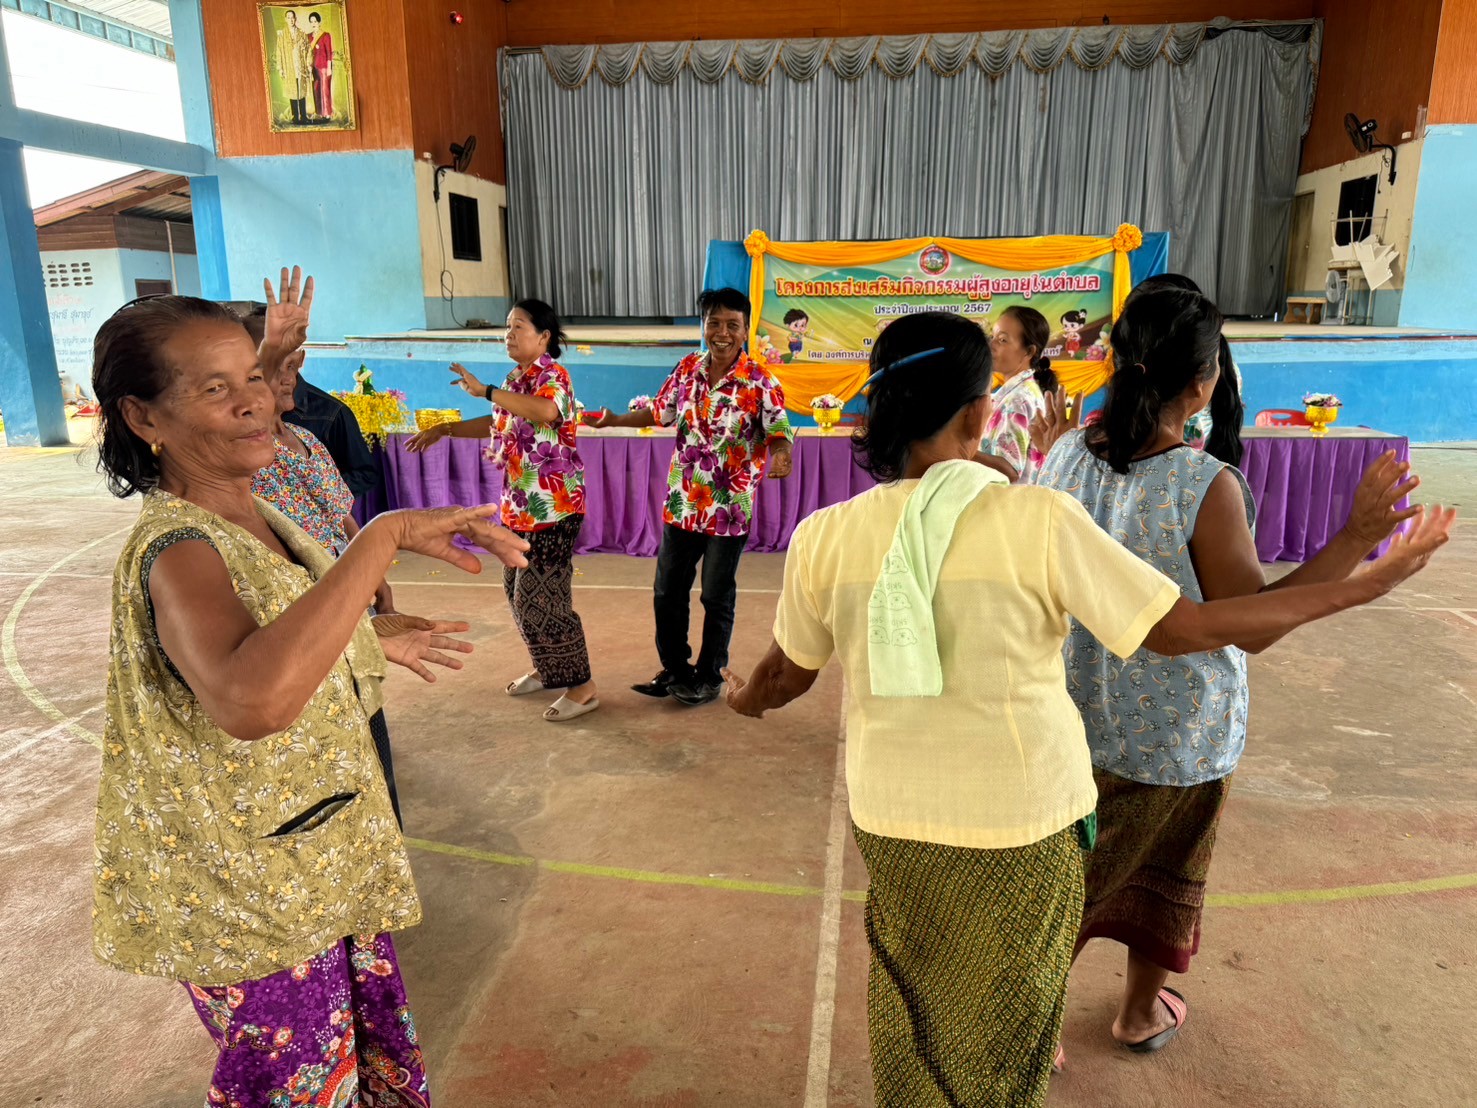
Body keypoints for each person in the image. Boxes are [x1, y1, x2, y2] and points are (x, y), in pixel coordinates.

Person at [719, 309, 1450, 1107]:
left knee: (910, 986)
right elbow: (1186, 629)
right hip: (1022, 825)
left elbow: (783, 675)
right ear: (975, 414)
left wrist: (744, 702)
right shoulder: (1032, 520)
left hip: (893, 818)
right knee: (1007, 1020)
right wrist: (1362, 584)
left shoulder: (825, 535)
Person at [89, 286, 529, 1104]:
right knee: (296, 1088)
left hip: (317, 864)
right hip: (254, 896)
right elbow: (249, 699)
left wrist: (371, 637)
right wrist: (384, 534)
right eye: (213, 388)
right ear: (144, 418)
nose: (253, 399)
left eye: (250, 374)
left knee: (354, 1073)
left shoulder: (251, 514)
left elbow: (273, 635)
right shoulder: (181, 545)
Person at [1032, 286, 1428, 1058]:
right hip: (1174, 736)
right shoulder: (1200, 485)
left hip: (1073, 714)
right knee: (1159, 880)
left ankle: (1050, 1020)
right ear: (1202, 381)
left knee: (1064, 882)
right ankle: (1134, 1013)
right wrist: (1355, 538)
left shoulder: (1066, 451)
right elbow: (1251, 627)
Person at [246, 275, 414, 825]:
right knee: (326, 768)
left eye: (297, 362)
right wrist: (268, 355)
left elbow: (340, 517)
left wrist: (370, 571)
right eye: (280, 366)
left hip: (347, 612)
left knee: (370, 739)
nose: (296, 374)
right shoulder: (243, 460)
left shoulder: (309, 439)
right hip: (304, 622)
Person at [590, 287, 794, 707]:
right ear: (703, 326)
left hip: (729, 507)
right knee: (668, 590)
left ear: (745, 330)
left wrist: (781, 454)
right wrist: (617, 420)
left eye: (732, 325)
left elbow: (779, 430)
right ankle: (675, 670)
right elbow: (660, 411)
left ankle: (709, 676)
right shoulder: (686, 369)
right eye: (714, 323)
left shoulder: (760, 381)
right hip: (683, 501)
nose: (722, 332)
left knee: (716, 595)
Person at [405, 299, 599, 723]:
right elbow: (500, 423)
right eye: (507, 327)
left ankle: (582, 687)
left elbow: (547, 412)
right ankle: (550, 667)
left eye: (518, 326)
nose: (508, 334)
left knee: (542, 600)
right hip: (520, 508)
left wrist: (487, 391)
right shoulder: (518, 378)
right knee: (517, 595)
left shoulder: (553, 376)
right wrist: (446, 429)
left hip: (555, 509)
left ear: (544, 336)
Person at [240, 305, 382, 498]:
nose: (287, 378)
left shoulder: (319, 426)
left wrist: (315, 495)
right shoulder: (235, 426)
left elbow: (362, 477)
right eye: (270, 364)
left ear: (300, 359)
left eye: (289, 365)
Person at [982, 305, 1057, 483]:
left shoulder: (1018, 399)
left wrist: (959, 452)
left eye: (1002, 340)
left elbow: (1010, 470)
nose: (991, 345)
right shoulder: (1018, 392)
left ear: (1029, 351)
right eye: (993, 337)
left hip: (1010, 506)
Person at [275, 9, 312, 125]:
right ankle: (295, 117)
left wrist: (308, 64)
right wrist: (280, 68)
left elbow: (308, 50)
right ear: (286, 19)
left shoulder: (301, 33)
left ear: (295, 19)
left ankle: (304, 116)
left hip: (300, 67)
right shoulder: (282, 35)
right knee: (292, 91)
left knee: (301, 91)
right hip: (289, 67)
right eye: (288, 18)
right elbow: (279, 52)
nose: (291, 20)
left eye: (292, 17)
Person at [308, 11, 333, 120]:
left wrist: (329, 67)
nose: (313, 23)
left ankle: (326, 113)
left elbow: (329, 52)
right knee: (316, 89)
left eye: (315, 21)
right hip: (313, 67)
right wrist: (308, 65)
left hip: (324, 67)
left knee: (325, 90)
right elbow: (308, 52)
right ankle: (319, 112)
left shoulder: (325, 35)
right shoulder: (309, 36)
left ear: (319, 22)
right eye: (311, 21)